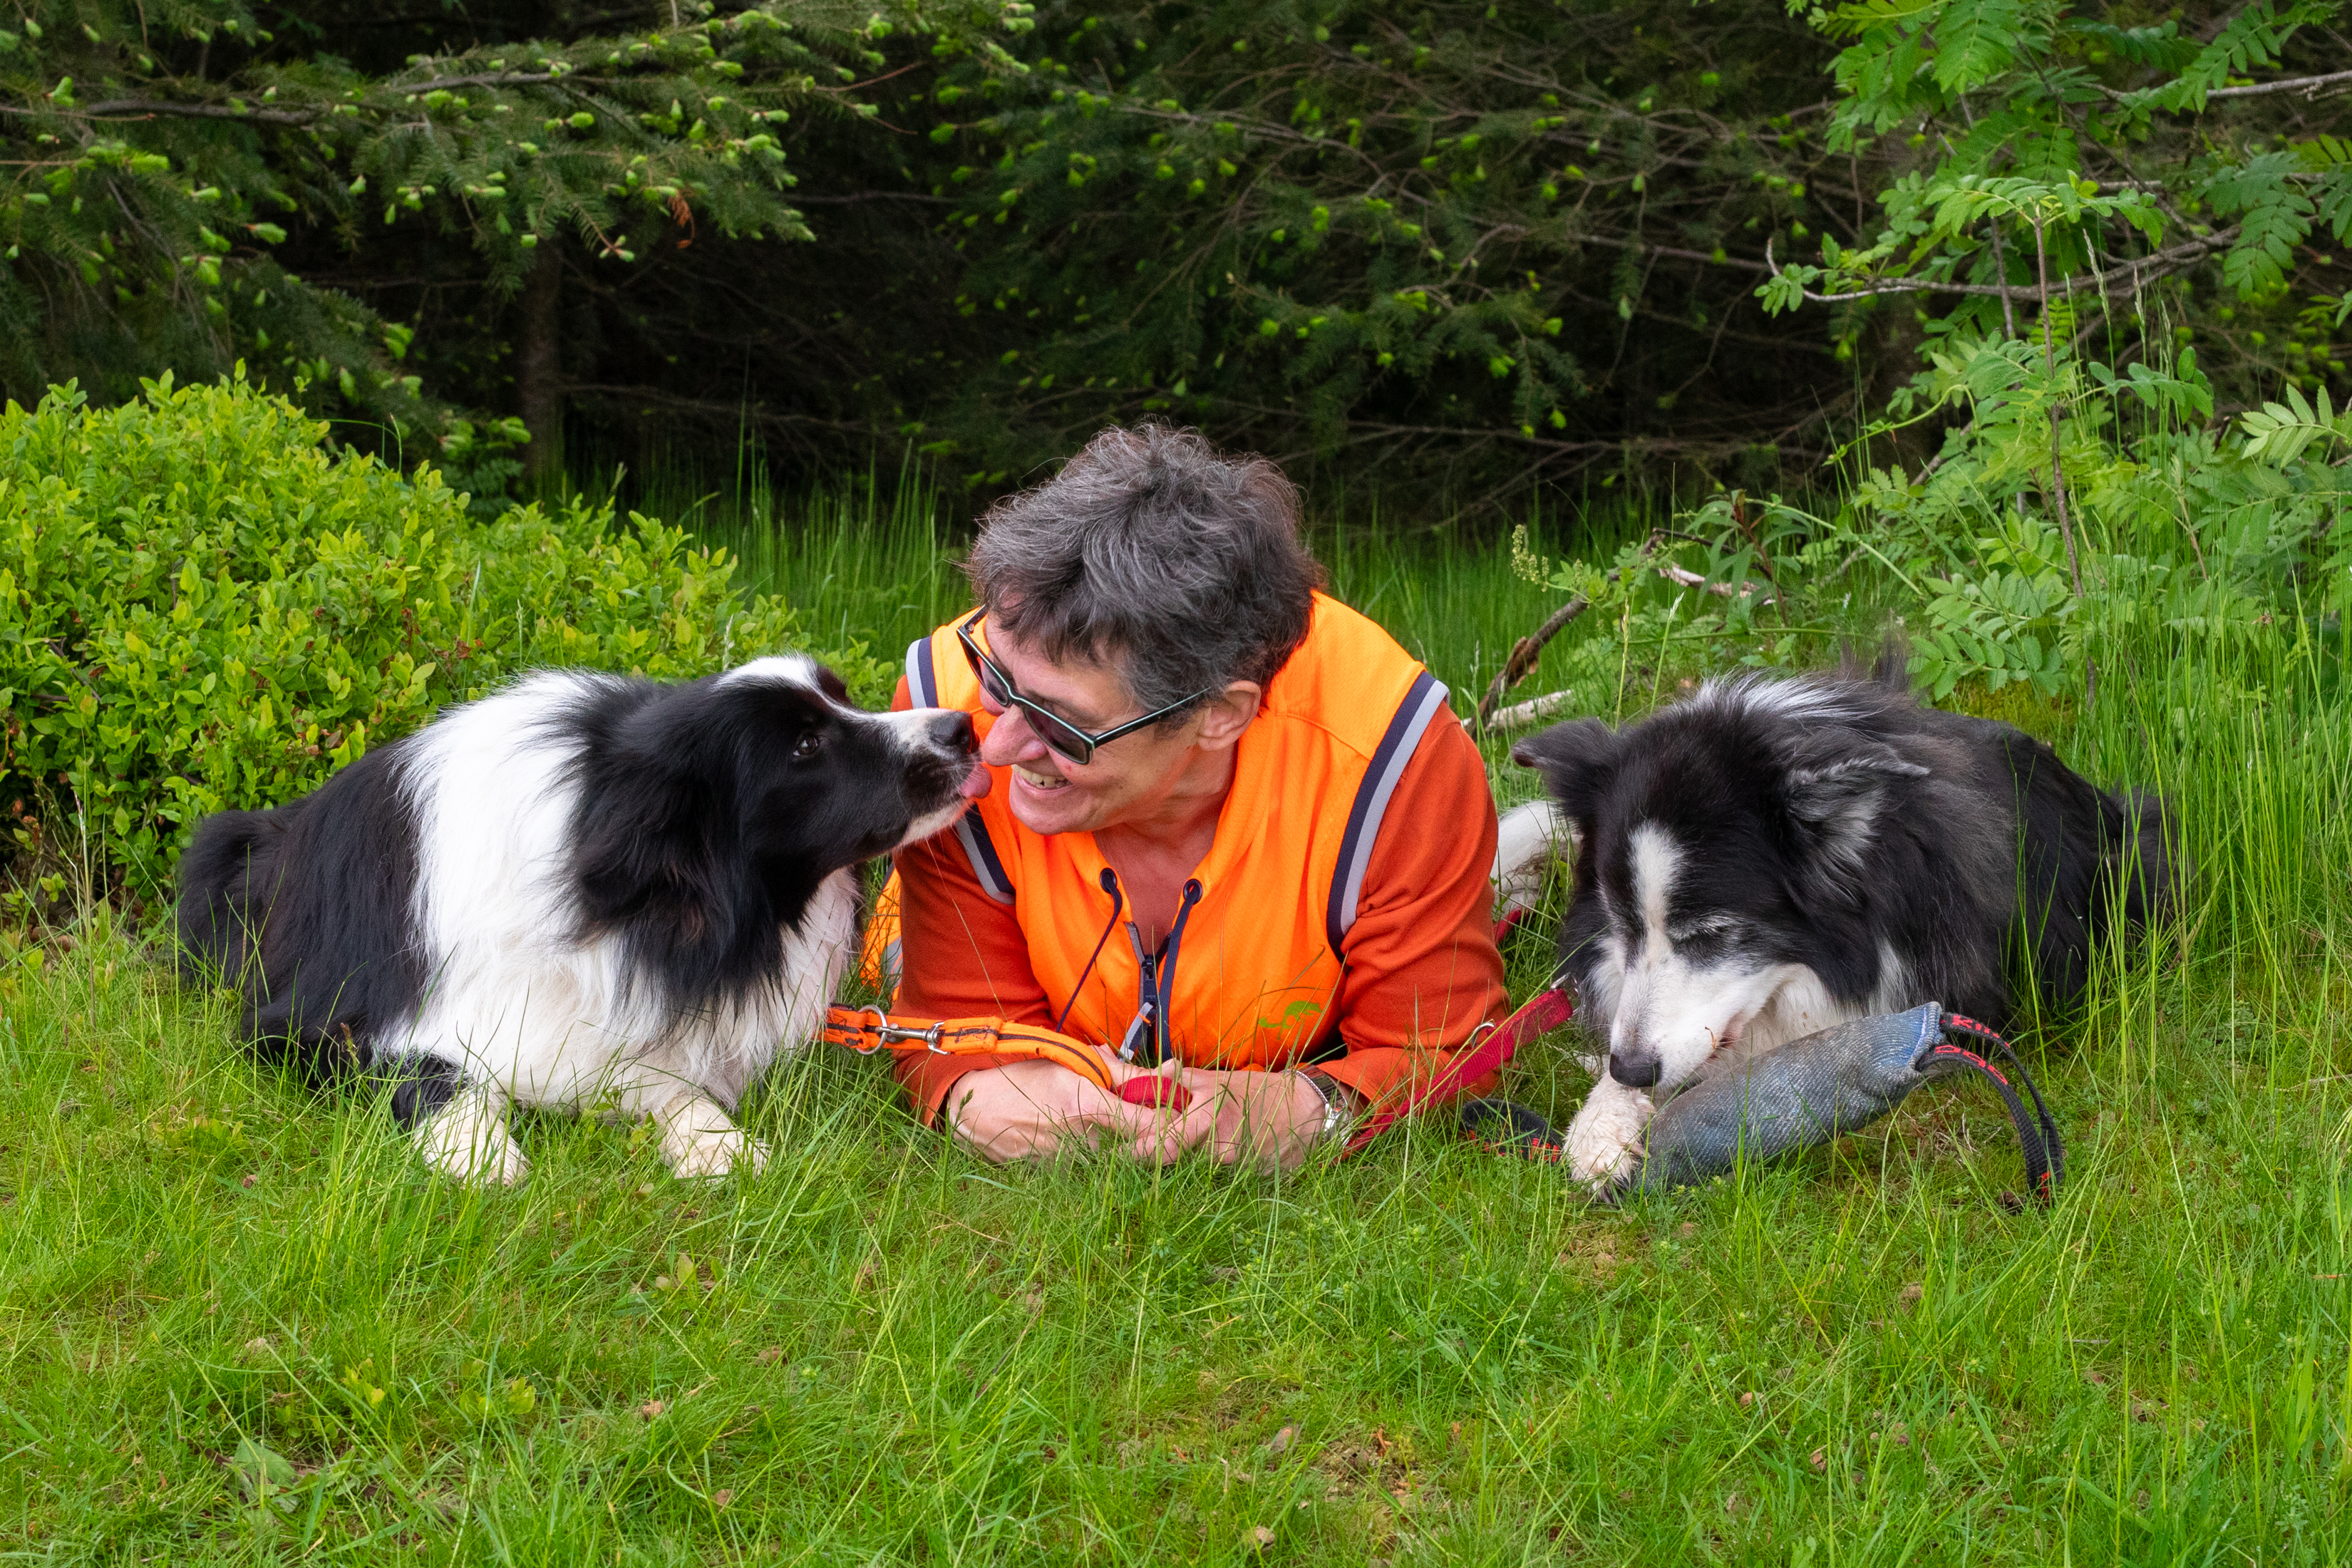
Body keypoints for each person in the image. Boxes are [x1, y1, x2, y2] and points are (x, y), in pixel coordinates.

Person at [867, 426, 1507, 1167]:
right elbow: (955, 1023)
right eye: (997, 677)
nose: (1001, 747)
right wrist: (980, 1094)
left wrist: (1314, 1107)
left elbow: (1439, 1047)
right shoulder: (940, 730)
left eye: (1062, 723)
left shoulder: (1396, 761)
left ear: (1221, 716)